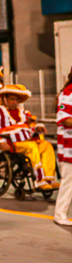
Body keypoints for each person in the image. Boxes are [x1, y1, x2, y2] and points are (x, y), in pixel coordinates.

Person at [0, 84, 58, 191]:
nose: (15, 102)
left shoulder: (23, 112)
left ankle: (49, 179)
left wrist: (37, 128)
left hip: (27, 139)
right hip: (11, 144)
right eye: (12, 99)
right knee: (32, 146)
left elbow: (29, 126)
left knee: (47, 145)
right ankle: (39, 180)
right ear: (4, 98)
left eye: (17, 100)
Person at [55, 69, 72, 225]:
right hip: (69, 145)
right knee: (69, 180)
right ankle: (59, 214)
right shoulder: (67, 93)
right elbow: (64, 118)